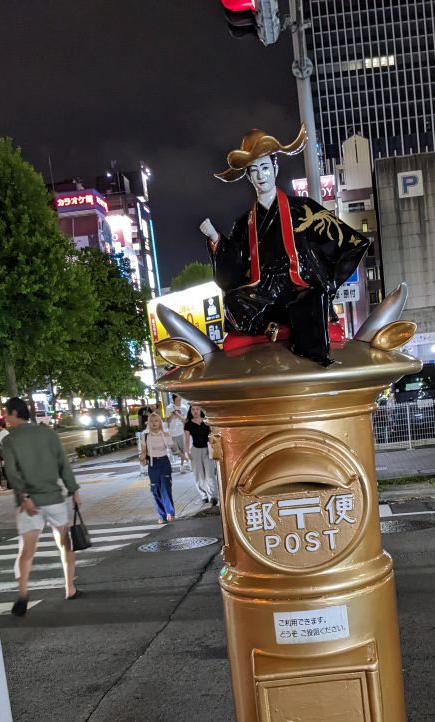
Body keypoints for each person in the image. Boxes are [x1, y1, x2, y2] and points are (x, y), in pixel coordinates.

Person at [201, 126, 369, 366]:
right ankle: (267, 328)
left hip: (297, 287)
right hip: (263, 293)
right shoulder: (243, 223)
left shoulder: (304, 209)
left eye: (265, 168)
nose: (261, 175)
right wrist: (216, 240)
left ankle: (310, 359)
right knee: (233, 302)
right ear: (248, 177)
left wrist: (325, 280)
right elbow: (232, 273)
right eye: (254, 170)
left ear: (275, 169)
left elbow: (347, 242)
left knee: (314, 297)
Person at [0, 397, 81, 616]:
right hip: (53, 498)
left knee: (27, 550)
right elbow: (63, 463)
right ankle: (70, 588)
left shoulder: (9, 440)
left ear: (14, 413)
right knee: (65, 543)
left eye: (6, 413)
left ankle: (23, 593)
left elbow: (12, 473)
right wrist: (73, 489)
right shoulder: (48, 434)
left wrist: (25, 496)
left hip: (28, 503)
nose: (5, 417)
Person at [139, 410, 176, 524]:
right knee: (155, 490)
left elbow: (174, 449)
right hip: (153, 464)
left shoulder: (165, 434)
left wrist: (172, 443)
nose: (154, 423)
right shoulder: (145, 436)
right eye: (151, 421)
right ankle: (162, 514)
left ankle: (170, 513)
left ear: (160, 422)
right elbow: (143, 453)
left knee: (165, 487)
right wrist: (142, 457)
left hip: (164, 462)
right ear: (148, 423)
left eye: (156, 421)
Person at [184, 406, 218, 507]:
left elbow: (213, 435)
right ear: (190, 411)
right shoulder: (188, 424)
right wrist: (186, 452)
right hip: (195, 451)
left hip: (208, 450)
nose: (195, 411)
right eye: (193, 409)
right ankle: (204, 495)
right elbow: (186, 440)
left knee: (210, 474)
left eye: (197, 409)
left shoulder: (207, 422)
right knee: (199, 476)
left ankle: (213, 497)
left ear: (201, 410)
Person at [165, 394, 188, 473]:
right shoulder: (169, 407)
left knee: (183, 450)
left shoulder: (184, 407)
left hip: (181, 431)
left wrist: (179, 415)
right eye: (179, 396)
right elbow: (168, 421)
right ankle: (187, 459)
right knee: (175, 450)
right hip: (172, 432)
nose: (180, 397)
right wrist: (172, 414)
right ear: (175, 398)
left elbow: (185, 420)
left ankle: (182, 466)